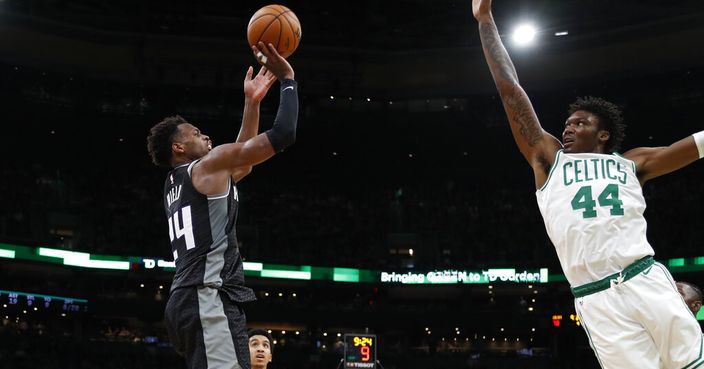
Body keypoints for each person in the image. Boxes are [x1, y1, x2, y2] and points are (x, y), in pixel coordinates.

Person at [471, 0, 704, 367]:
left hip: (643, 279)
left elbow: (691, 147)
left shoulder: (631, 162)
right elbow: (510, 90)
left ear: (603, 134)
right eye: (568, 122)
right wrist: (485, 21)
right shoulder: (549, 161)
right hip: (595, 298)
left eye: (580, 122)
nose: (568, 126)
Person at [146, 41, 297, 369]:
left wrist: (252, 103)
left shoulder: (177, 182)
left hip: (187, 300)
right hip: (207, 298)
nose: (206, 137)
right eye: (197, 134)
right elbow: (284, 134)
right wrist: (288, 79)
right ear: (179, 146)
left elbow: (242, 162)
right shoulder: (207, 167)